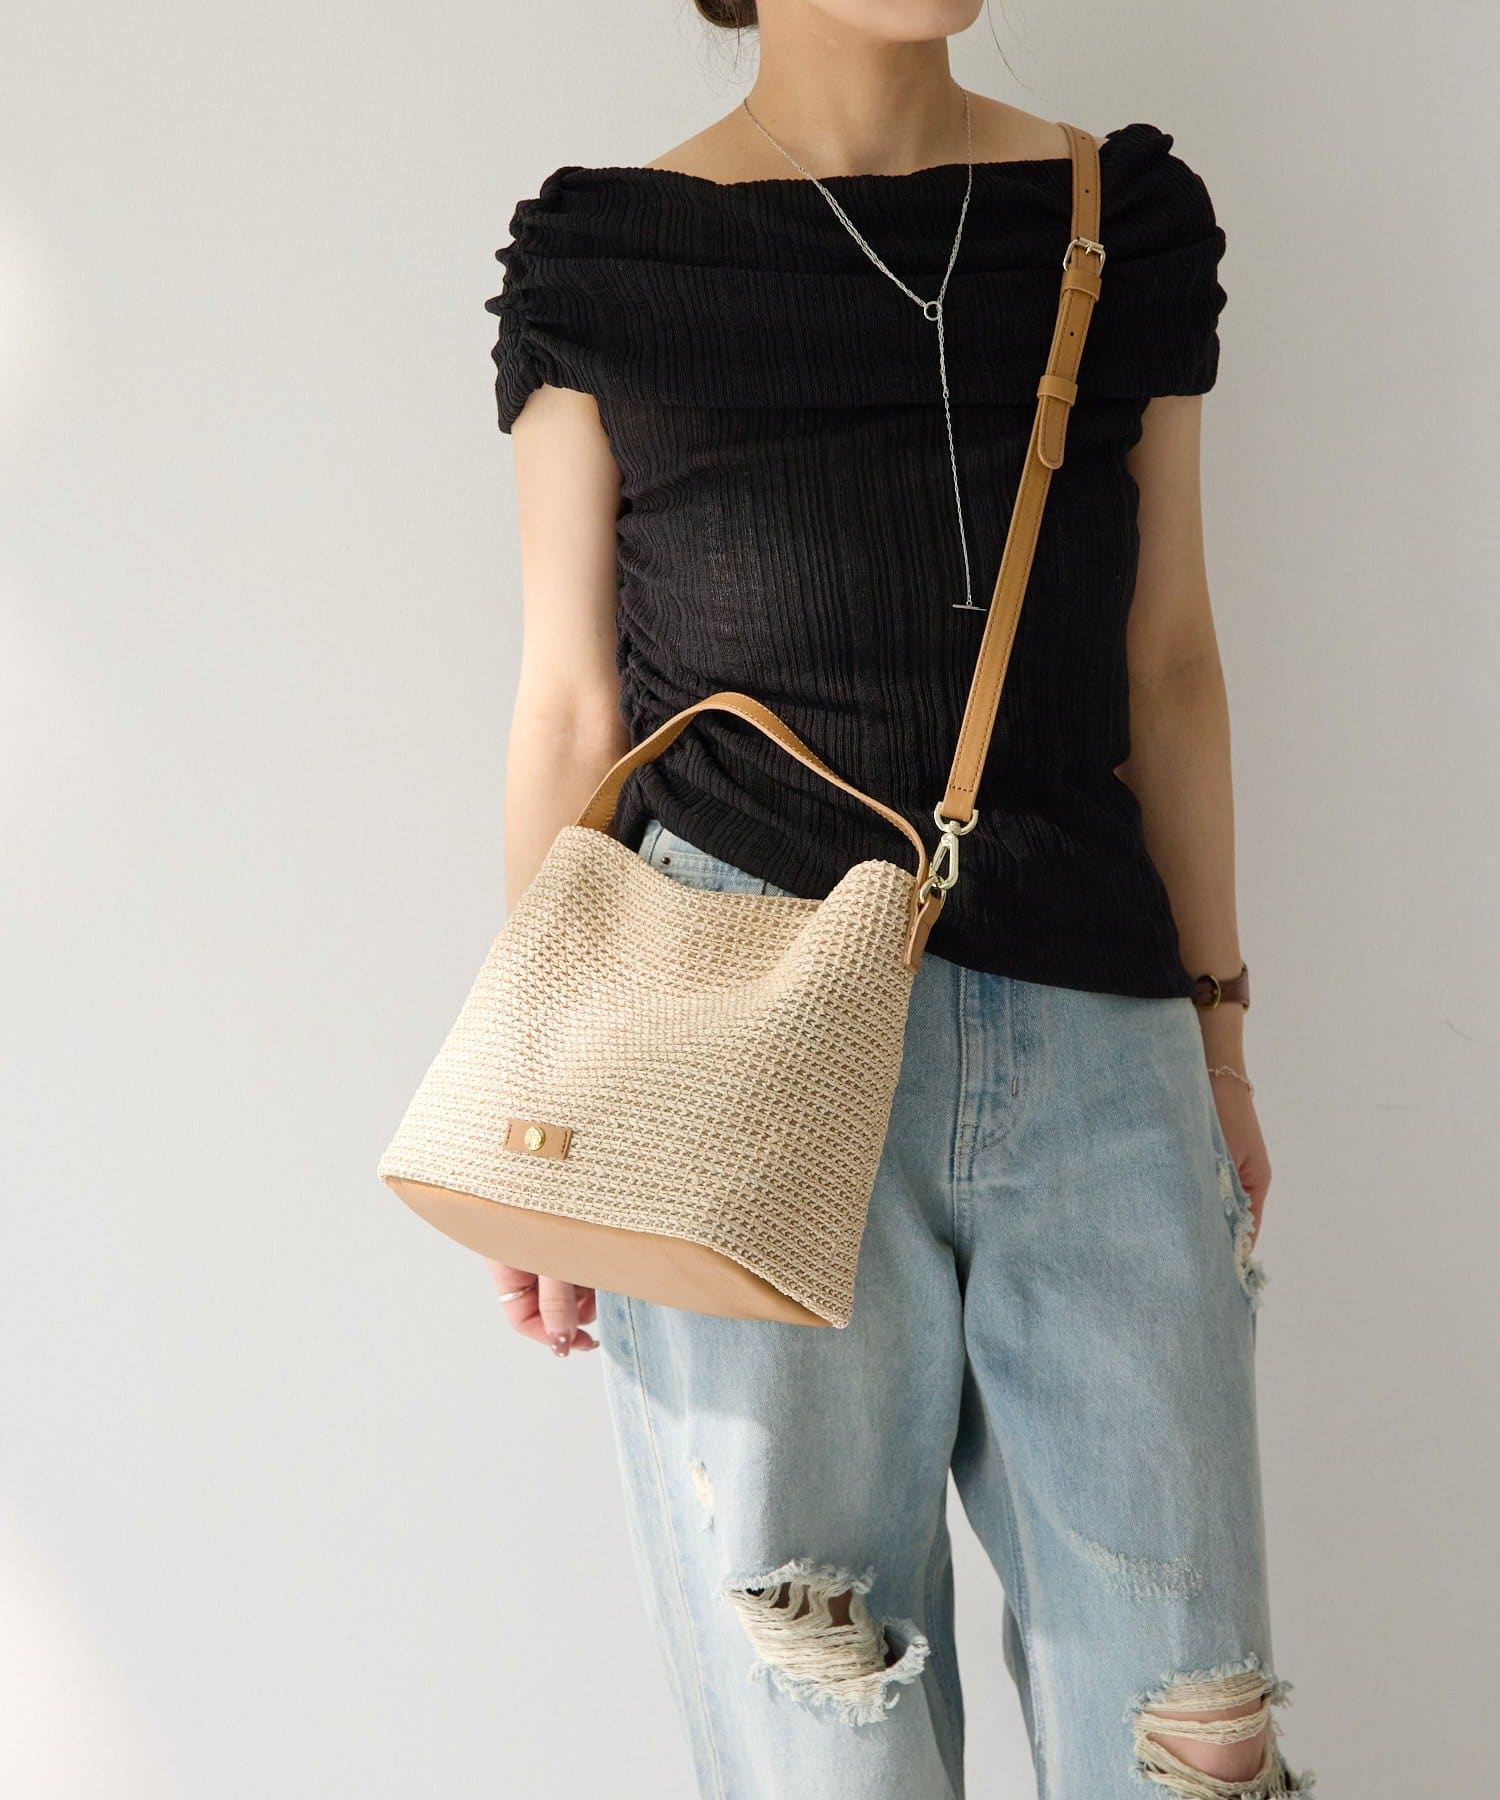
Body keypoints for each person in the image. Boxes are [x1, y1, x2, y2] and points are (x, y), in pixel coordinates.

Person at [478, 4, 1309, 1794]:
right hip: (729, 1066)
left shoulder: (1116, 218)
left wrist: (1222, 1040)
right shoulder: (607, 260)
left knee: (1193, 1732)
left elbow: (1167, 658)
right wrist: (539, 1121)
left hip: (1101, 1050)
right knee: (818, 1730)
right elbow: (569, 709)